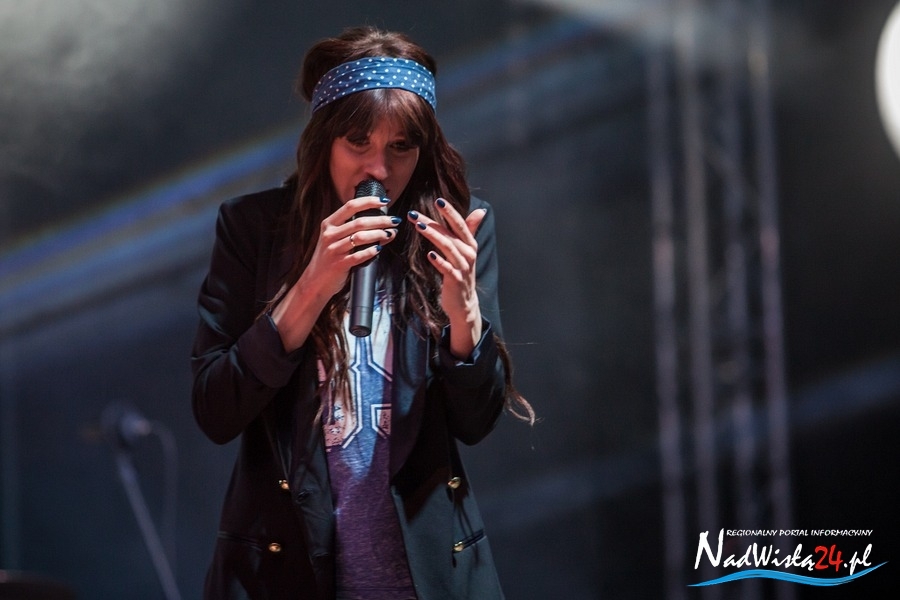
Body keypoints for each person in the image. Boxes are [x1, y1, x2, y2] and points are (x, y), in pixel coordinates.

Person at [190, 25, 534, 600]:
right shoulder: (255, 228)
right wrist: (310, 288)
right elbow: (215, 410)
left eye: (401, 146)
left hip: (425, 574)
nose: (379, 167)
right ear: (323, 141)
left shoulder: (456, 229)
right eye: (358, 142)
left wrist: (465, 319)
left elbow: (476, 425)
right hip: (287, 570)